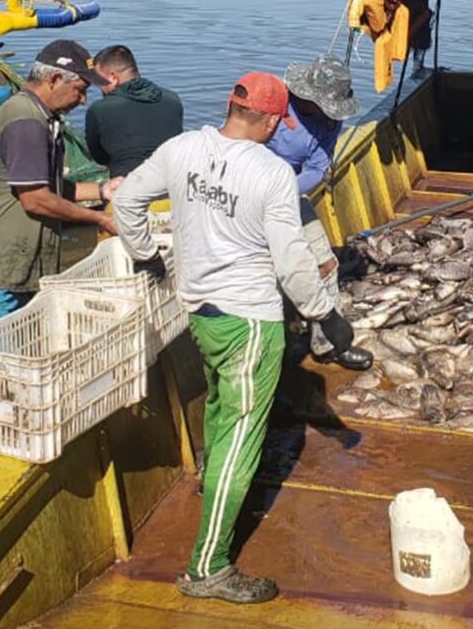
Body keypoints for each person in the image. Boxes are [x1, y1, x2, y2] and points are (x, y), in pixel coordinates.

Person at [113, 72, 358, 605]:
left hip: (199, 310)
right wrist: (327, 318)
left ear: (230, 105)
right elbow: (293, 262)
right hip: (249, 321)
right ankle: (209, 568)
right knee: (245, 436)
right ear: (271, 121)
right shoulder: (271, 173)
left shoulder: (181, 149)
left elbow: (126, 199)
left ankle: (211, 483)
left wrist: (145, 255)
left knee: (224, 409)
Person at [0, 40, 122, 333]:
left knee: (17, 357)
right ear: (54, 79)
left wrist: (101, 191)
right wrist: (98, 218)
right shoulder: (26, 120)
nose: (84, 99)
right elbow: (35, 199)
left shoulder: (42, 117)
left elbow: (49, 187)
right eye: (80, 89)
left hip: (10, 269)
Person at [266, 53, 372, 371]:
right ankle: (276, 347)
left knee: (326, 262)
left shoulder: (330, 121)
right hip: (248, 195)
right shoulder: (273, 102)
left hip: (290, 195)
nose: (328, 112)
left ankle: (328, 344)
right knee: (266, 275)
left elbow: (316, 168)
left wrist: (285, 192)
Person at [83, 44, 184, 178]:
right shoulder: (172, 99)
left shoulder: (99, 109)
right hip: (172, 182)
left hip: (125, 185)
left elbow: (99, 157)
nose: (100, 88)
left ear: (113, 78)